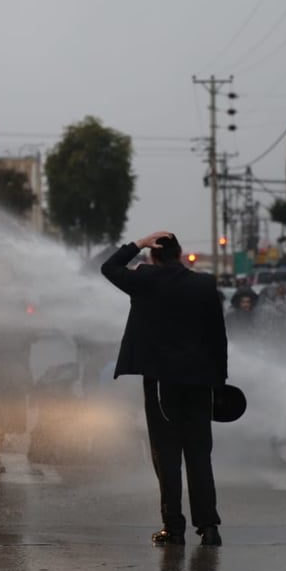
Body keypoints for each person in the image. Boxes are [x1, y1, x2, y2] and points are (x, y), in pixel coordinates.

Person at [101, 231, 228, 547]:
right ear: (182, 254)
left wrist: (138, 244)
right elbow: (218, 336)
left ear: (153, 256)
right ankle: (209, 527)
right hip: (201, 382)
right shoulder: (204, 284)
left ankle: (174, 529)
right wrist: (219, 381)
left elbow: (109, 268)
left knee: (167, 455)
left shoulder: (146, 279)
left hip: (162, 384)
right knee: (199, 454)